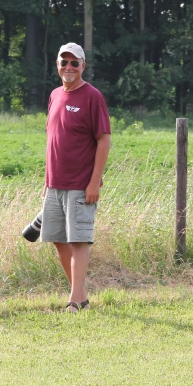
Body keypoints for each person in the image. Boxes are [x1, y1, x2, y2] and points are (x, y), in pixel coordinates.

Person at [40, 42, 111, 313]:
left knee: (79, 240)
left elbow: (103, 141)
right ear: (57, 65)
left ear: (83, 66)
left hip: (81, 184)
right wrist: (46, 183)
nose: (68, 67)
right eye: (64, 62)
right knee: (58, 239)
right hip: (54, 183)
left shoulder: (93, 97)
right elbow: (53, 141)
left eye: (74, 63)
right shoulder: (55, 95)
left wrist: (94, 182)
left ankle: (74, 301)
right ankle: (80, 296)